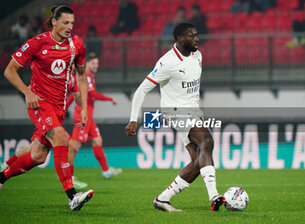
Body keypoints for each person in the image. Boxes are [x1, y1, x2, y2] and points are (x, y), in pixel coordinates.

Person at [0, 6, 94, 211]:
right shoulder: (37, 43)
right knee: (61, 137)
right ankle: (72, 196)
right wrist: (27, 92)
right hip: (39, 103)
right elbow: (9, 70)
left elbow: (80, 75)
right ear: (54, 21)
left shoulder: (77, 44)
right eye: (65, 22)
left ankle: (1, 177)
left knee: (38, 156)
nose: (70, 27)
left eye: (72, 23)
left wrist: (83, 107)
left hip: (58, 108)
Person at [125, 23, 223, 212]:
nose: (197, 38)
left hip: (194, 111)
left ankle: (162, 199)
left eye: (197, 35)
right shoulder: (167, 62)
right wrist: (133, 119)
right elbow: (141, 90)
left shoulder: (197, 55)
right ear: (180, 38)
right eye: (192, 36)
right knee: (207, 141)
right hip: (176, 111)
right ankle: (214, 196)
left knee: (198, 161)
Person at [68, 52, 122, 181]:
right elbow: (93, 94)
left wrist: (65, 107)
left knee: (97, 140)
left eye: (97, 63)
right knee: (75, 144)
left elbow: (73, 94)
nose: (96, 66)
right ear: (87, 64)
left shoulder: (89, 77)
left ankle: (106, 171)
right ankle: (68, 176)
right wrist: (110, 99)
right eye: (93, 63)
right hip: (82, 115)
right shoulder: (85, 76)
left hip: (88, 116)